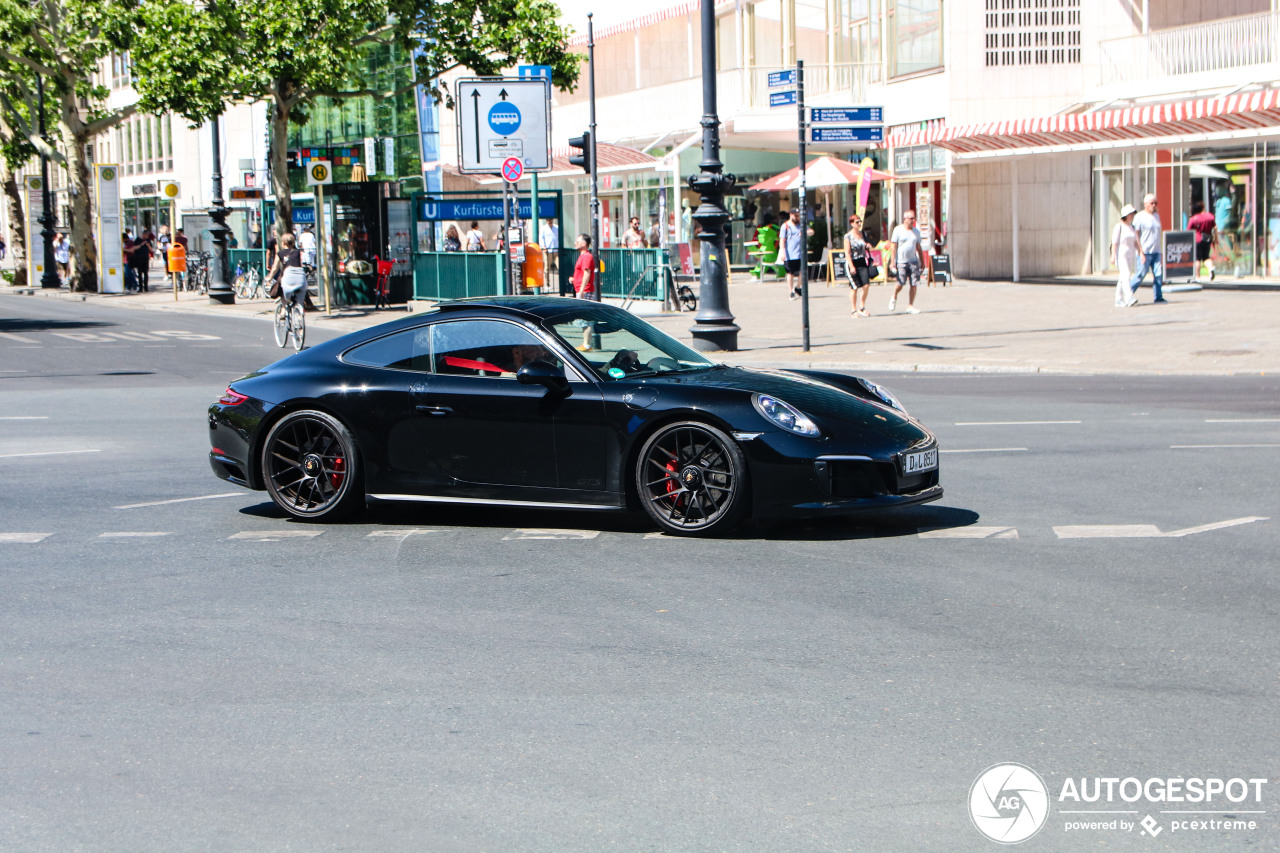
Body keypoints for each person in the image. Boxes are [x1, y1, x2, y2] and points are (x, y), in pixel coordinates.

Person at [1129, 193, 1165, 303]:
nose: (1154, 205)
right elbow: (1135, 234)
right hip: (1145, 251)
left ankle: (1158, 297)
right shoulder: (1140, 217)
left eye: (1155, 203)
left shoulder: (1156, 216)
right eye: (1151, 203)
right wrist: (1140, 251)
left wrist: (1161, 250)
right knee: (1141, 274)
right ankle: (1127, 293)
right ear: (1145, 204)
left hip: (1156, 251)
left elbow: (1158, 234)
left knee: (1158, 274)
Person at [888, 210, 923, 313]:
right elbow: (893, 246)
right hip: (901, 261)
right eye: (911, 218)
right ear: (905, 219)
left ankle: (910, 306)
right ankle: (894, 297)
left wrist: (922, 261)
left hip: (913, 261)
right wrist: (892, 261)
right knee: (900, 283)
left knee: (914, 284)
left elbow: (919, 247)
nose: (913, 220)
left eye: (914, 218)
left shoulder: (916, 232)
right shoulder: (898, 230)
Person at [266, 231, 307, 310]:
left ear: (283, 243)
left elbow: (275, 267)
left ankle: (283, 310)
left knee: (281, 288)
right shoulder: (297, 252)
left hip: (288, 278)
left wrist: (270, 277)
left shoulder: (280, 253)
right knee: (300, 301)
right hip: (300, 279)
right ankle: (300, 313)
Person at [1111, 204, 1139, 308]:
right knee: (1126, 275)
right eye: (1130, 214)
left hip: (1130, 254)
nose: (1132, 216)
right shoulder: (1119, 227)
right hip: (1121, 254)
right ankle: (1129, 297)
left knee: (1123, 277)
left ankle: (1118, 299)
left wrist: (1140, 252)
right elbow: (1114, 242)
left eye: (1133, 214)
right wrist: (1113, 255)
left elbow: (1135, 242)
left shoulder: (1131, 227)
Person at [844, 214, 871, 317]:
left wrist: (868, 246)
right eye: (857, 222)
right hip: (852, 262)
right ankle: (853, 309)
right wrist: (851, 266)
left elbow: (866, 245)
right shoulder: (848, 236)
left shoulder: (863, 234)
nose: (859, 224)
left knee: (866, 285)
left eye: (860, 221)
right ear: (852, 224)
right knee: (854, 287)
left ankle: (862, 306)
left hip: (862, 261)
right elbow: (847, 252)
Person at [777, 207, 807, 301]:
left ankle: (798, 287)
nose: (797, 217)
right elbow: (782, 239)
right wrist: (782, 252)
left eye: (798, 216)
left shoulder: (800, 225)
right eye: (795, 215)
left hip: (800, 253)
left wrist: (805, 232)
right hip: (789, 254)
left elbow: (811, 231)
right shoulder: (785, 226)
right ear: (791, 215)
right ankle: (791, 291)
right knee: (790, 273)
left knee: (803, 271)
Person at [1188, 200, 1217, 282]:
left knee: (1197, 258)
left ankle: (1197, 277)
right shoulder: (1210, 216)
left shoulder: (1193, 219)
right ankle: (1211, 269)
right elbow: (1215, 227)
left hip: (1197, 239)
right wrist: (1216, 238)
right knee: (1206, 257)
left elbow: (1188, 230)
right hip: (1207, 239)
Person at [571, 233, 597, 300]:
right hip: (582, 291)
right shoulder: (582, 256)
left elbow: (587, 274)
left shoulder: (586, 256)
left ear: (583, 244)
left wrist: (581, 290)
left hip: (585, 291)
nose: (575, 243)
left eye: (577, 242)